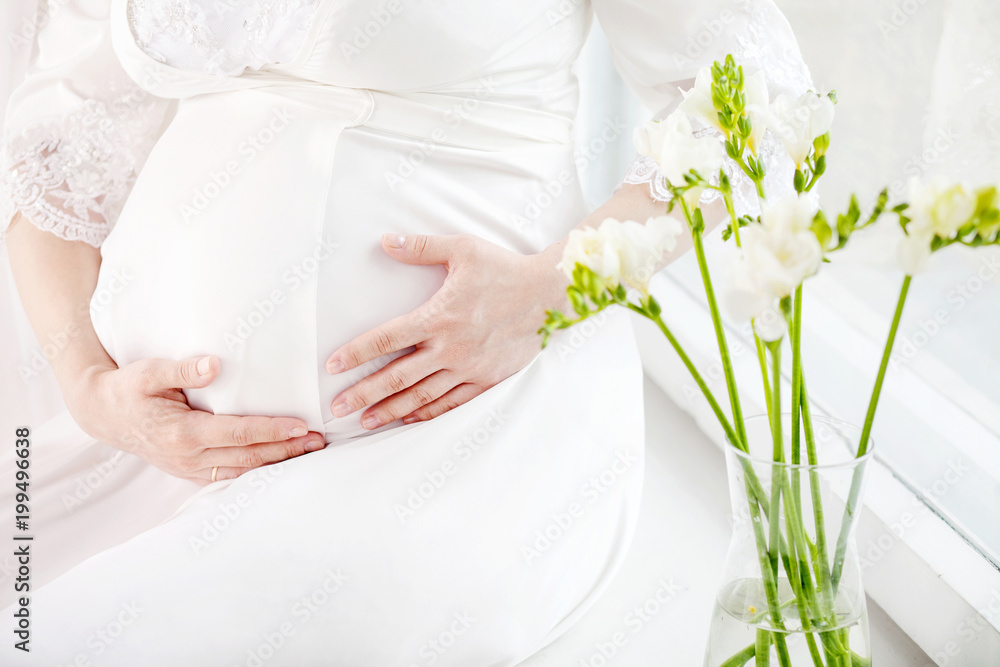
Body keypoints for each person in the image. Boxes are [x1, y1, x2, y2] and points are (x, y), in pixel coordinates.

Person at [0, 0, 812, 663]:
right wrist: (88, 383)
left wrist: (555, 288)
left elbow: (755, 99)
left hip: (454, 439)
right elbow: (55, 155)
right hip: (142, 450)